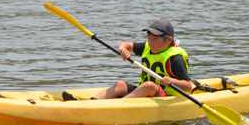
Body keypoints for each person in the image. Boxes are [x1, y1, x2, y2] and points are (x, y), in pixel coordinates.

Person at [62, 19, 192, 101]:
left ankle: (117, 106)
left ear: (169, 40)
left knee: (149, 85)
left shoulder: (175, 57)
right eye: (150, 38)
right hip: (147, 92)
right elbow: (125, 44)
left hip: (167, 97)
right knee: (120, 85)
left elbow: (188, 86)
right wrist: (123, 50)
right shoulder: (147, 47)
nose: (151, 43)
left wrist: (171, 81)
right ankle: (92, 103)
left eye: (155, 39)